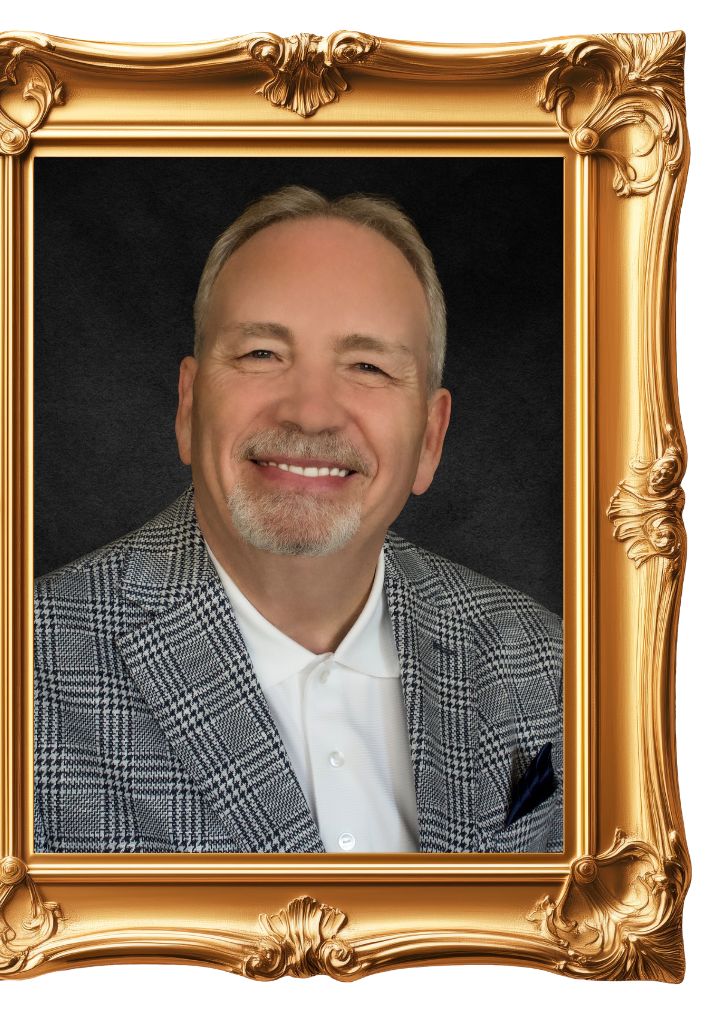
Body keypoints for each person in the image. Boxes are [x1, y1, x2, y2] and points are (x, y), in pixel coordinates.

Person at [34, 186, 562, 855]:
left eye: (367, 365)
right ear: (189, 407)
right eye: (262, 354)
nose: (310, 413)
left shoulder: (546, 670)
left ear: (430, 438)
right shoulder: (12, 684)